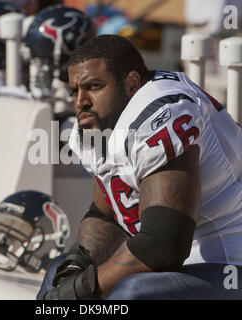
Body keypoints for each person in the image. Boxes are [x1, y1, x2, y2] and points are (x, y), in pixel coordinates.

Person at [37, 34, 242, 300]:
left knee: (133, 293)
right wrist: (77, 264)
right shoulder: (105, 122)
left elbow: (162, 247)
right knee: (59, 272)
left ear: (131, 83)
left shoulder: (160, 114)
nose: (80, 101)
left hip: (231, 263)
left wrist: (81, 290)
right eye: (75, 91)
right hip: (184, 266)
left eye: (94, 86)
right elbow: (106, 213)